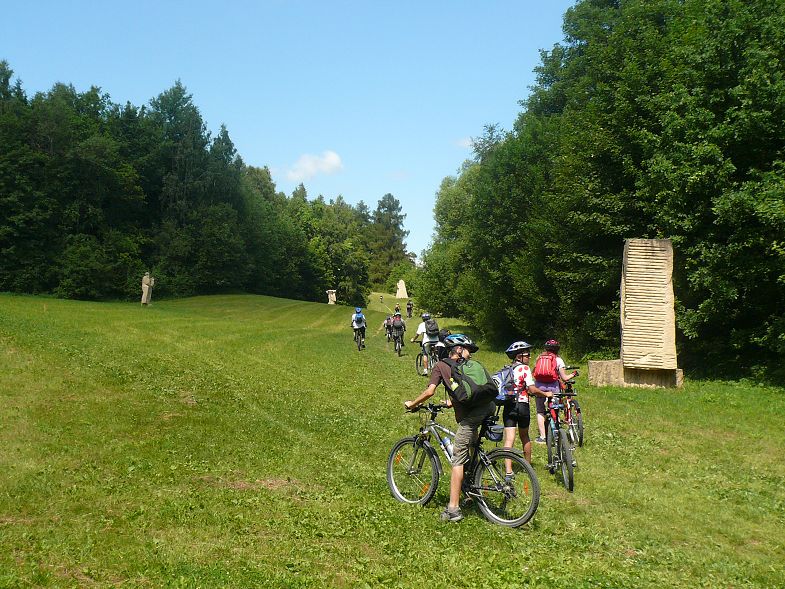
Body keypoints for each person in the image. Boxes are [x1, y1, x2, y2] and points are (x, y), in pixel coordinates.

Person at [404, 334, 494, 523]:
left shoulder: (440, 366)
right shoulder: (468, 366)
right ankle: (470, 489)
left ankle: (453, 509)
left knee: (458, 459)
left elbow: (430, 391)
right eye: (468, 350)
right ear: (459, 350)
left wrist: (412, 404)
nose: (470, 354)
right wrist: (451, 402)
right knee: (471, 448)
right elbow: (468, 390)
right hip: (488, 407)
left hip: (471, 416)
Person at [500, 341, 552, 464]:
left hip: (509, 405)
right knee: (524, 436)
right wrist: (546, 394)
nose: (529, 357)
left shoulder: (508, 369)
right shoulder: (525, 368)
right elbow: (532, 389)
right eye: (527, 355)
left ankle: (508, 471)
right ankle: (527, 466)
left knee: (509, 439)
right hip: (522, 406)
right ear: (519, 357)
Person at [532, 339, 578, 443]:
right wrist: (573, 374)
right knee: (555, 408)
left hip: (539, 387)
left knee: (540, 411)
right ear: (557, 349)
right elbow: (564, 378)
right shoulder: (559, 360)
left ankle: (542, 437)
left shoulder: (539, 358)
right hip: (553, 387)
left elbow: (534, 373)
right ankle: (556, 429)